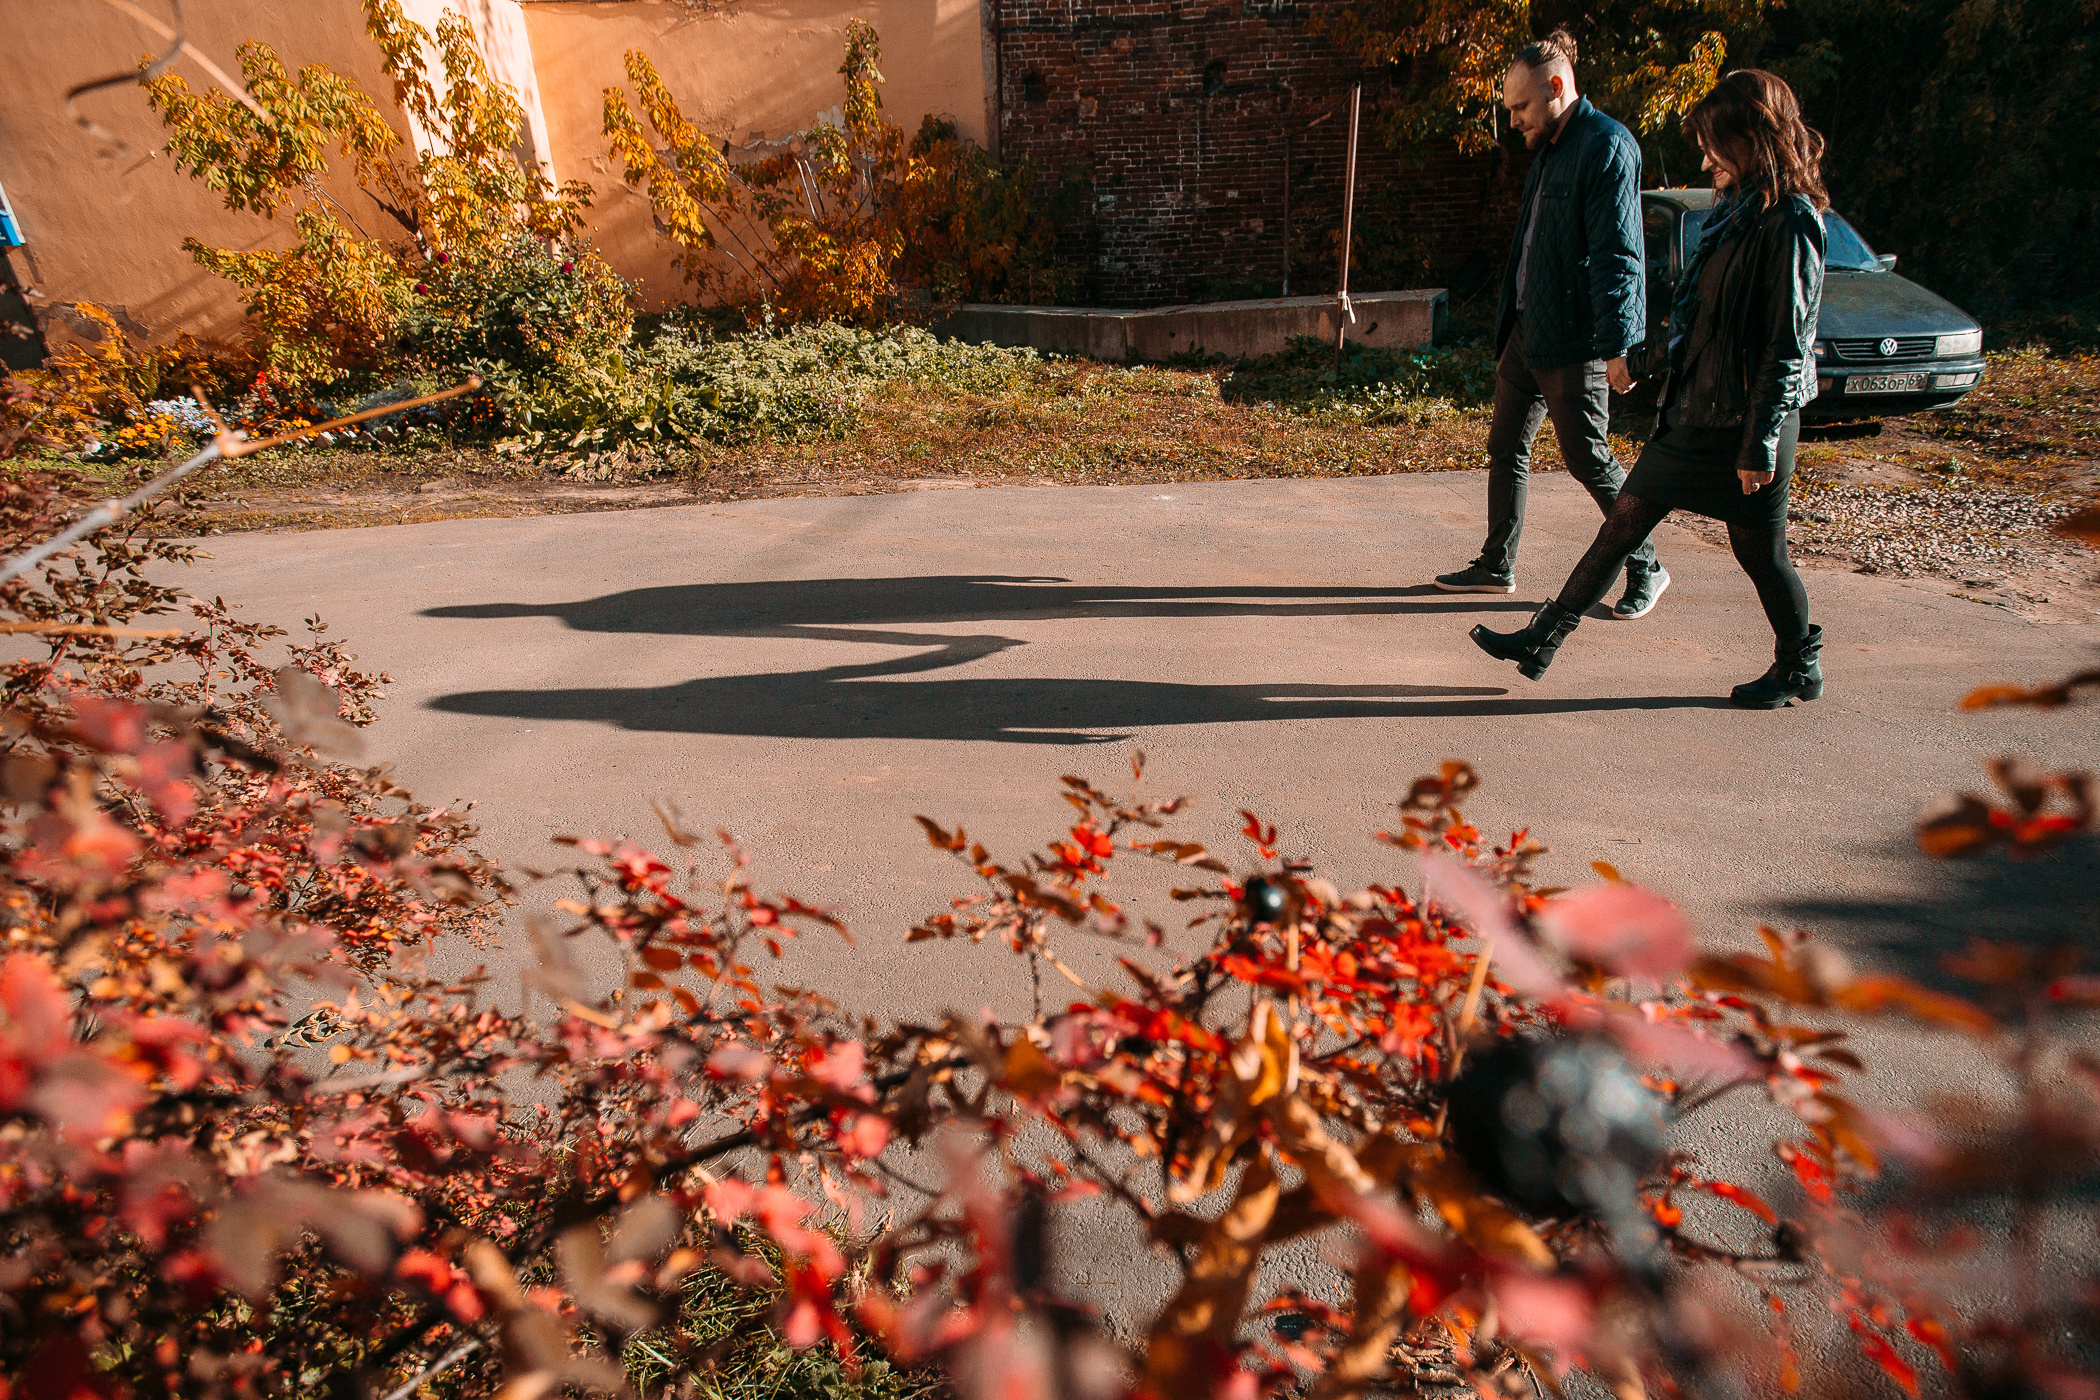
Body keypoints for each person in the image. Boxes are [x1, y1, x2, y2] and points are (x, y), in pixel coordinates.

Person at [1468, 68, 1829, 709]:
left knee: (1761, 555)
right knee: (1623, 523)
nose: (1704, 157)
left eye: (1715, 143)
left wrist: (1759, 443)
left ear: (1753, 139)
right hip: (1694, 415)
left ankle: (1798, 664)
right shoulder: (1732, 217)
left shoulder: (1790, 224)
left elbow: (1786, 345)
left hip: (1747, 424)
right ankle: (1542, 639)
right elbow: (1703, 322)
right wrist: (1643, 360)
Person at [1434, 29, 1669, 622]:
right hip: (1527, 332)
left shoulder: (1606, 146)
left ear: (1557, 88)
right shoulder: (1551, 148)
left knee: (1588, 458)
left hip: (1575, 340)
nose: (1513, 120)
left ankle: (1646, 565)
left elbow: (1620, 254)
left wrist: (1620, 345)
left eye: (1520, 107)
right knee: (1505, 447)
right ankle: (1496, 565)